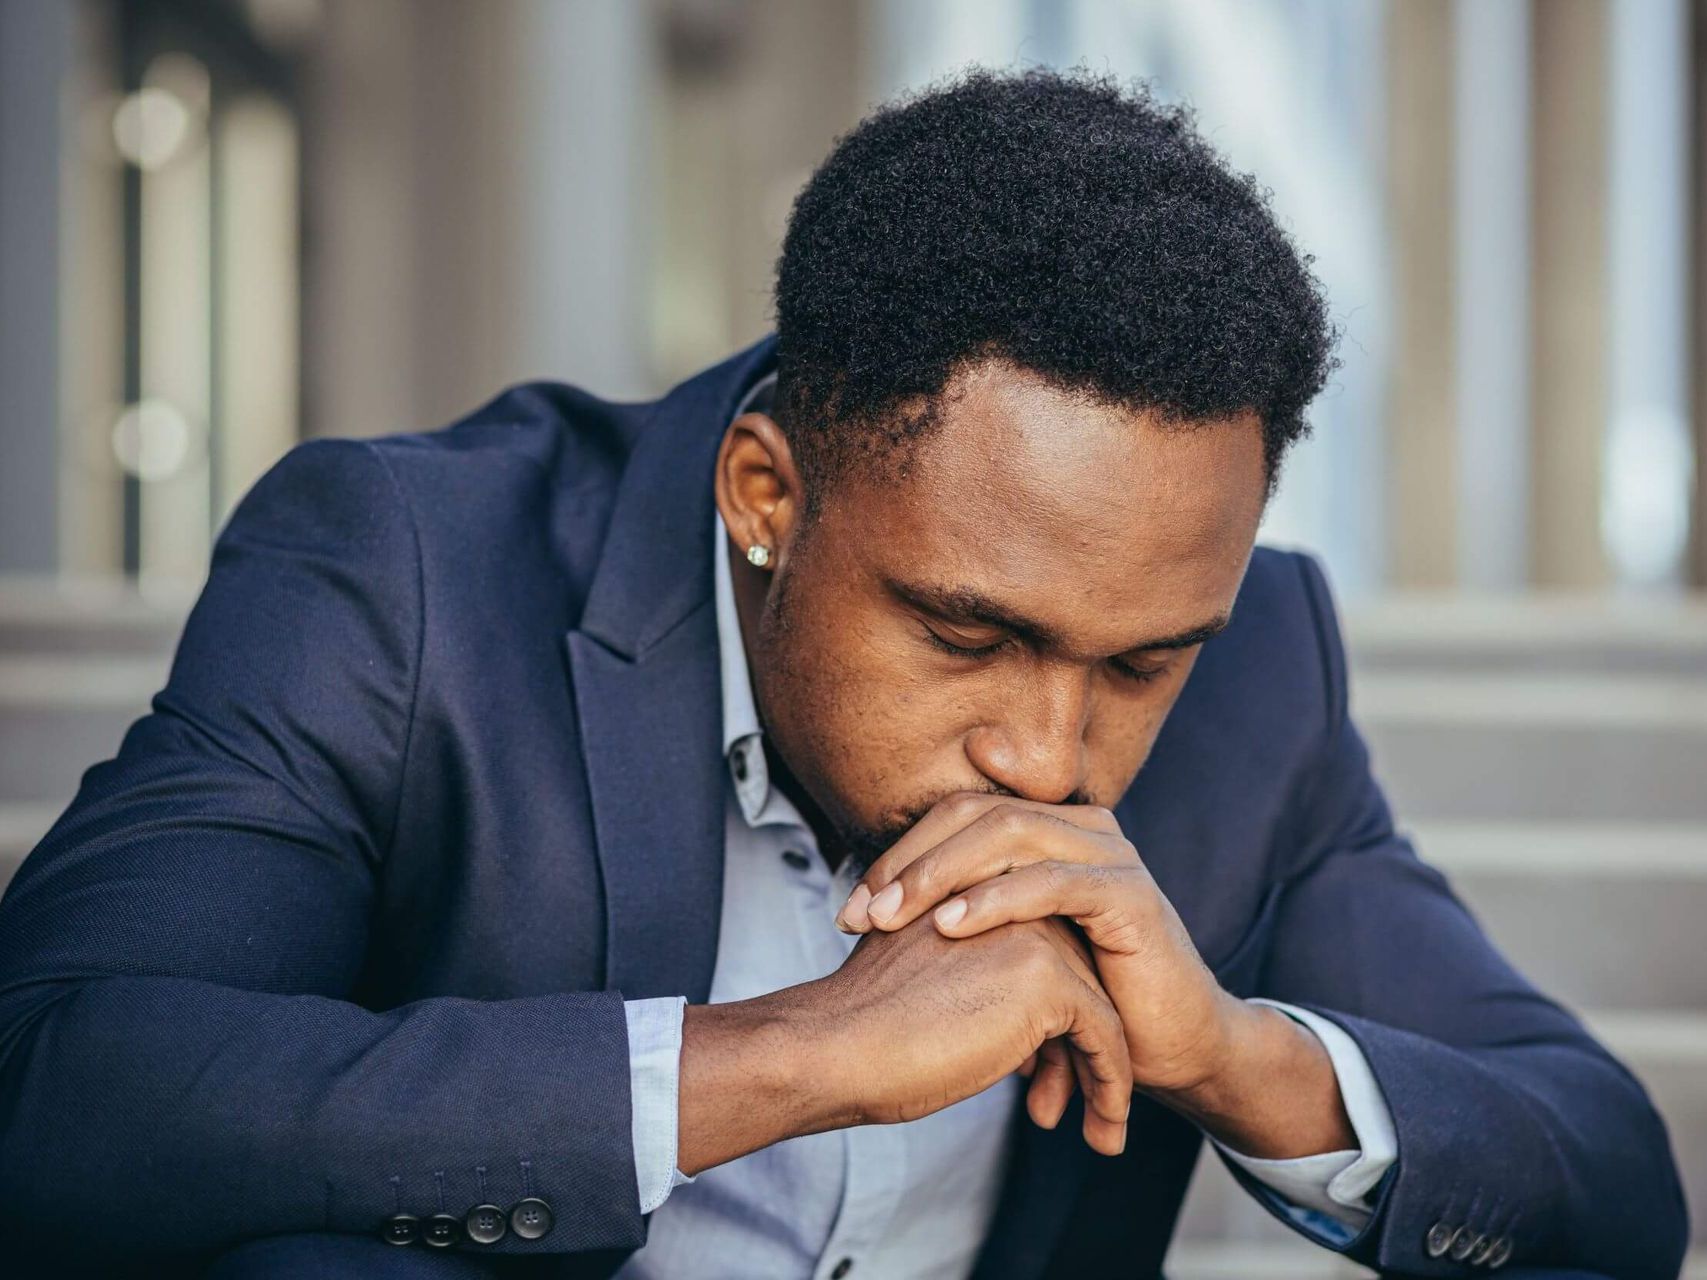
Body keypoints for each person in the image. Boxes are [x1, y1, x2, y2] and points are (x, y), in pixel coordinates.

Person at [0, 69, 1686, 1280]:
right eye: (968, 633)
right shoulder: (414, 571)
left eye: (1142, 664)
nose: (1048, 756)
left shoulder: (1261, 689)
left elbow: (1610, 1184)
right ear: (765, 495)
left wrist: (1232, 1056)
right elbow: (62, 1091)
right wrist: (784, 1057)